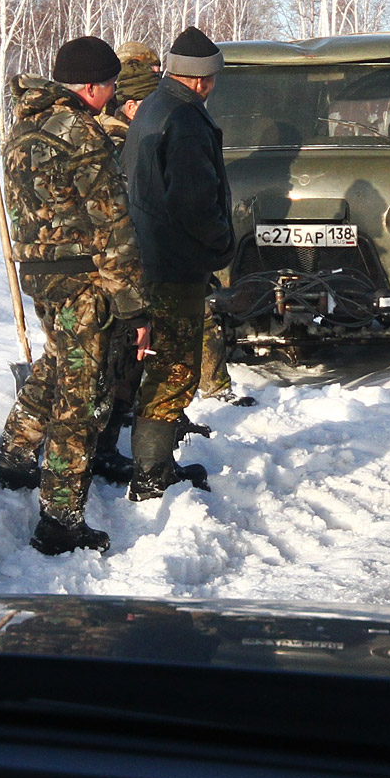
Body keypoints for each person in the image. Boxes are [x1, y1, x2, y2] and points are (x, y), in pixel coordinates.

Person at [0, 36, 152, 556]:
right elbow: (112, 226)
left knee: (59, 362)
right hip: (82, 281)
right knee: (80, 399)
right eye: (108, 85)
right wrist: (133, 304)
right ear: (91, 86)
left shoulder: (24, 126)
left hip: (39, 275)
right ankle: (60, 519)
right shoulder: (81, 134)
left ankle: (15, 455)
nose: (111, 94)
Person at [122, 26, 236, 501]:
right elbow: (194, 201)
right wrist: (221, 244)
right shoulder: (185, 119)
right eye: (213, 79)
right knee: (174, 367)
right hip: (173, 263)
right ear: (202, 79)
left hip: (149, 255)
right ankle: (151, 474)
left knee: (163, 363)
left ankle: (151, 464)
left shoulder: (152, 106)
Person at [88, 41, 159, 485]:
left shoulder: (118, 134)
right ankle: (102, 446)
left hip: (120, 266)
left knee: (124, 360)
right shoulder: (113, 140)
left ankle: (108, 440)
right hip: (112, 271)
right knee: (116, 361)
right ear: (131, 105)